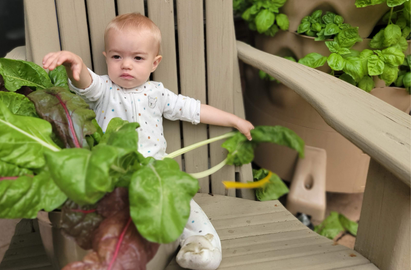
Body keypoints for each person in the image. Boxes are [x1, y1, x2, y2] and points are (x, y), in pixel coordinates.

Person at [42, 12, 254, 270]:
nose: (126, 65)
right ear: (106, 57)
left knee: (183, 204)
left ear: (155, 63)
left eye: (137, 58)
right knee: (113, 217)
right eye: (117, 56)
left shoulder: (157, 93)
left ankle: (200, 245)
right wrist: (73, 64)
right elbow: (85, 83)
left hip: (155, 173)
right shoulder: (104, 90)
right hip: (114, 176)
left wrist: (234, 120)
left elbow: (194, 110)